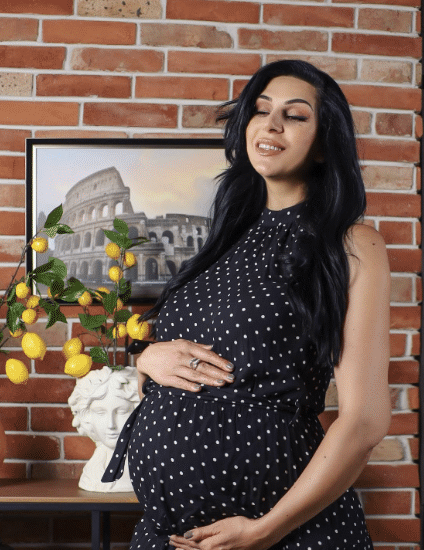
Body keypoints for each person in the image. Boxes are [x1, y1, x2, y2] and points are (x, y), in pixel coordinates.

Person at [100, 59, 391, 550]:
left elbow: (365, 421)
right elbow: (192, 355)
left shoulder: (350, 244)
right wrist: (146, 358)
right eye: (261, 110)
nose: (272, 124)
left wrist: (265, 529)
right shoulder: (223, 241)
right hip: (168, 534)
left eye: (295, 116)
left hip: (283, 534)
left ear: (323, 144)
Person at [69, 366, 140, 492]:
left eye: (121, 411)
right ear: (86, 416)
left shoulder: (144, 470)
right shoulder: (92, 472)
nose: (111, 425)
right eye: (100, 412)